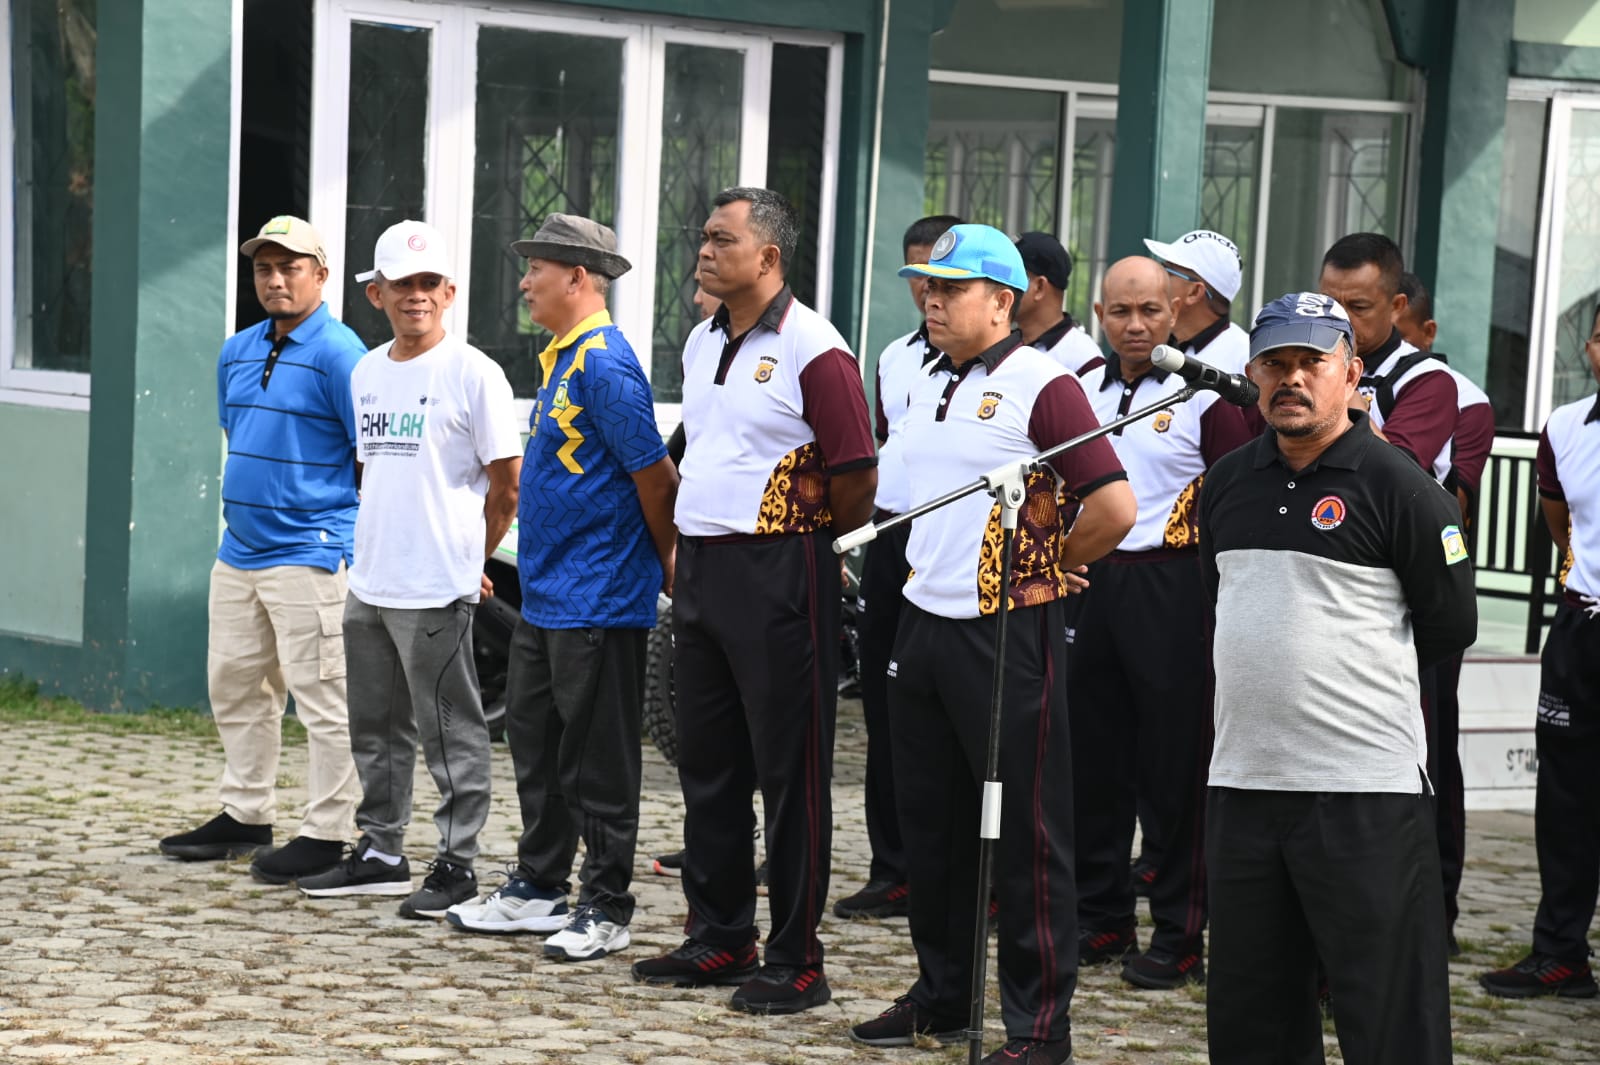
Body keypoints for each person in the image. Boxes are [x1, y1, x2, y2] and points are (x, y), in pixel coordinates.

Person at [847, 223, 1135, 1065]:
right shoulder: (925, 374)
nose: (931, 301)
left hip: (1003, 629)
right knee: (930, 824)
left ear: (1003, 300)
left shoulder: (1043, 384)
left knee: (1026, 833)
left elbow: (1114, 507)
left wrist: (1049, 563)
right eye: (927, 287)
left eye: (951, 288)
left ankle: (1039, 1028)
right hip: (922, 621)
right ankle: (942, 993)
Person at [1201, 291, 1476, 1065]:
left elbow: (1450, 623)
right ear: (1253, 373)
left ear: (1352, 373)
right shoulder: (1226, 483)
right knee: (1254, 1019)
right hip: (1245, 786)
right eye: (1275, 363)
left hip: (1364, 793)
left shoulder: (1401, 486)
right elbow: (1218, 603)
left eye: (1311, 362)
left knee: (1388, 1017)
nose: (1291, 378)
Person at [631, 187, 877, 1015]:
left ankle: (798, 957)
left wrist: (801, 540)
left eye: (721, 238)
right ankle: (720, 934)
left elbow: (855, 476)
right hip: (703, 567)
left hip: (781, 568)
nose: (703, 250)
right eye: (702, 236)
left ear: (768, 256)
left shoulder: (815, 347)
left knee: (790, 771)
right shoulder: (704, 339)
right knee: (709, 763)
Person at [443, 215, 678, 961]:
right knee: (537, 745)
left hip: (600, 596)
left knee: (598, 761)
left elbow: (657, 480)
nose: (523, 283)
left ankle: (606, 903)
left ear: (577, 277)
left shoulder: (605, 365)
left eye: (535, 268)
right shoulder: (564, 357)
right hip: (548, 595)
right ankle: (539, 885)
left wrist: (670, 570)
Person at [298, 220, 522, 920]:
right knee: (374, 726)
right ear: (377, 293)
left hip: (436, 585)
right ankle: (381, 852)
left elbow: (508, 485)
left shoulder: (474, 372)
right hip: (370, 580)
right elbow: (371, 472)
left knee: (450, 730)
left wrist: (470, 560)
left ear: (449, 292)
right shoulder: (366, 371)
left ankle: (457, 864)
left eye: (429, 283)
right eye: (402, 284)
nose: (416, 295)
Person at [159, 216, 365, 883]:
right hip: (240, 550)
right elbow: (239, 430)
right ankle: (246, 815)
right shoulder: (237, 350)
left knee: (324, 698)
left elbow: (368, 455)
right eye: (264, 269)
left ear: (321, 275)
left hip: (310, 551)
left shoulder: (342, 353)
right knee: (237, 686)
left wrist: (343, 535)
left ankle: (330, 832)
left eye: (290, 268)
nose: (275, 280)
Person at [1067, 256, 1254, 990]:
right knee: (1094, 758)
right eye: (1120, 311)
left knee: (1174, 766)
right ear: (1099, 315)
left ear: (1175, 312)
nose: (1136, 325)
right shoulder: (1083, 386)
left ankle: (1180, 931)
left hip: (1173, 585)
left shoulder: (1205, 390)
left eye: (1150, 310)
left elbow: (1237, 494)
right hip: (1095, 579)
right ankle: (1101, 915)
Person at [832, 213, 959, 921]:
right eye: (918, 276)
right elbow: (887, 444)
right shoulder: (893, 356)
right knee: (885, 705)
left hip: (961, 543)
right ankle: (893, 864)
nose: (928, 292)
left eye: (943, 278)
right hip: (893, 536)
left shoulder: (1017, 368)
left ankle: (959, 866)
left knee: (953, 707)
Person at [1479, 305, 1600, 1001]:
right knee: (1566, 797)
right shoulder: (1565, 426)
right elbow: (1562, 523)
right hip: (1581, 629)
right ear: (1589, 349)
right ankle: (1560, 954)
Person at [1397, 270, 1496, 950]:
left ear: (1421, 328)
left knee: (1432, 746)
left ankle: (1438, 903)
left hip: (1428, 589)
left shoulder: (1461, 396)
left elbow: (1452, 501)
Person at [1319, 233, 1458, 483]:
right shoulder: (1298, 365)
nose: (1341, 319)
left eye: (1358, 307)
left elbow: (1394, 477)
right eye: (1329, 305)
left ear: (1396, 307)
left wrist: (1343, 383)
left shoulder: (1428, 378)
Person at [1014, 230, 1103, 378]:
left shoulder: (1085, 360)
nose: (1000, 288)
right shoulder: (1002, 345)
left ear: (1039, 287)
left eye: (1012, 277)